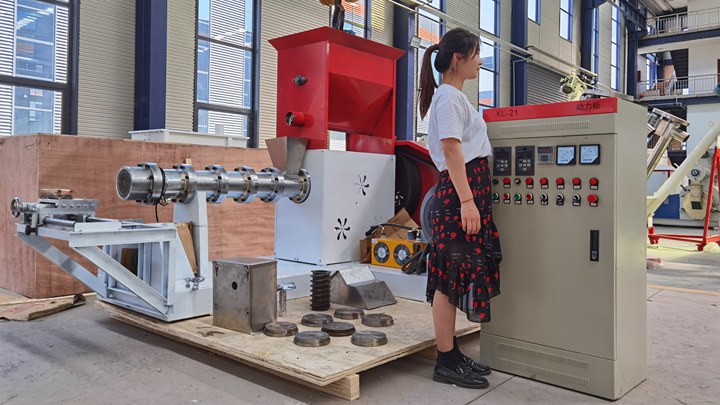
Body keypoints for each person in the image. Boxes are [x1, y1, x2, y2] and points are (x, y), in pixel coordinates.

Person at [418, 28, 502, 389]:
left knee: (453, 278)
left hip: (465, 191)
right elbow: (452, 150)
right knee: (447, 280)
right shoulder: (449, 98)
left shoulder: (454, 98)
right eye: (476, 53)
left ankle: (450, 354)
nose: (480, 61)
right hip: (458, 195)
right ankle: (444, 360)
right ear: (458, 58)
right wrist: (467, 201)